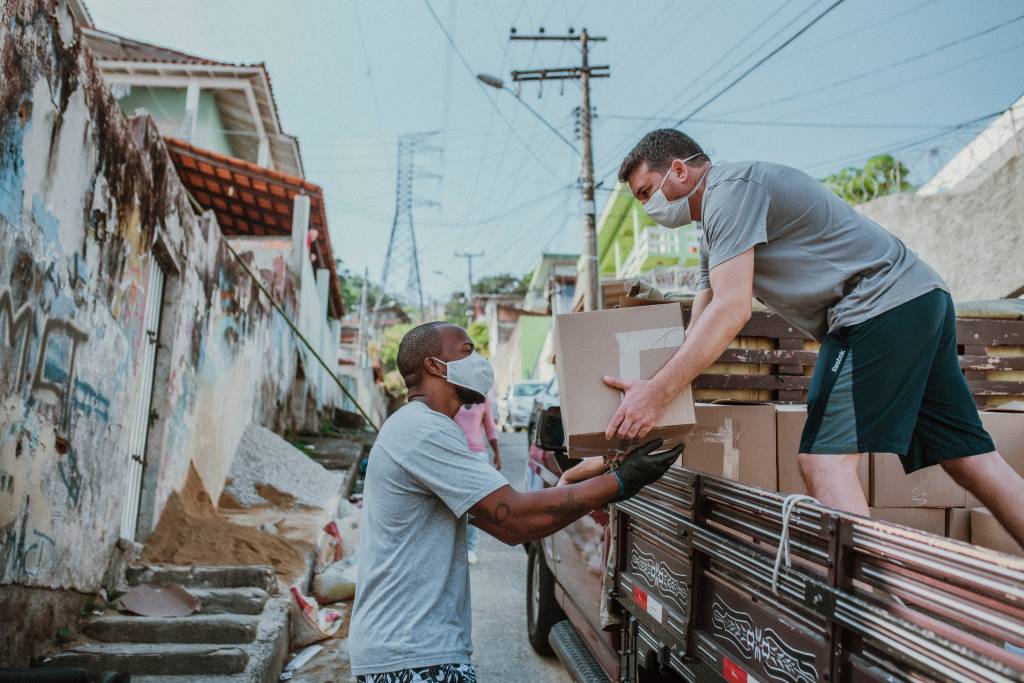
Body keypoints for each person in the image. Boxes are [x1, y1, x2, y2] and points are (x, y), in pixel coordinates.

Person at [603, 128, 1024, 547]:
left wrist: (657, 395)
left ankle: (871, 605)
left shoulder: (729, 193)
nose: (647, 208)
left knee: (824, 460)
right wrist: (655, 390)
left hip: (877, 307)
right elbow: (703, 319)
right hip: (917, 298)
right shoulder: (716, 224)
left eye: (645, 193)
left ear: (678, 170)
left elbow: (732, 309)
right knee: (969, 457)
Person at [349, 322, 683, 683]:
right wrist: (621, 481)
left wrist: (599, 479)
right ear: (435, 366)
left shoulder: (418, 427)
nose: (479, 362)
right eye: (467, 351)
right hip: (410, 656)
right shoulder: (425, 430)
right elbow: (518, 517)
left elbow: (510, 528)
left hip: (410, 651)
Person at [453, 395, 502, 564]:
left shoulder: (483, 399)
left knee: (474, 506)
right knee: (452, 504)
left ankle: (470, 548)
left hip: (478, 456)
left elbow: (490, 428)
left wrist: (497, 453)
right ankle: (452, 548)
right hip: (454, 454)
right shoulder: (453, 393)